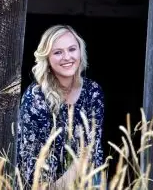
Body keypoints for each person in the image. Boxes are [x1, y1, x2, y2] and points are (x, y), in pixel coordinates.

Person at [16, 25, 105, 189]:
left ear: (80, 52)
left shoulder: (92, 92)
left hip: (84, 181)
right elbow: (32, 164)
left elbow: (92, 151)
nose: (67, 57)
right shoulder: (35, 97)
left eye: (72, 49)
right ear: (47, 58)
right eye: (58, 52)